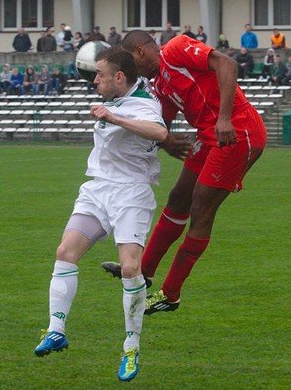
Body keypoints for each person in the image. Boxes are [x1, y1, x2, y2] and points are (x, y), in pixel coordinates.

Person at [104, 31, 267, 315]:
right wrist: (164, 141)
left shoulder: (176, 49)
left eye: (131, 62)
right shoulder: (159, 84)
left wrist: (224, 119)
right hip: (209, 136)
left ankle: (170, 294)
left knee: (201, 207)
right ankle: (143, 271)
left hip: (237, 131)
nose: (132, 70)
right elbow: (162, 123)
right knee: (178, 198)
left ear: (140, 51)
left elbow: (227, 64)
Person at [34, 47, 167, 383]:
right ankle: (56, 329)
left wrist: (113, 117)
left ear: (119, 77)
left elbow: (160, 133)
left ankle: (131, 347)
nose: (95, 81)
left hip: (131, 193)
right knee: (65, 252)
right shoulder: (119, 97)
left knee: (130, 268)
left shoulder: (144, 104)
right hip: (98, 189)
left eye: (101, 75)